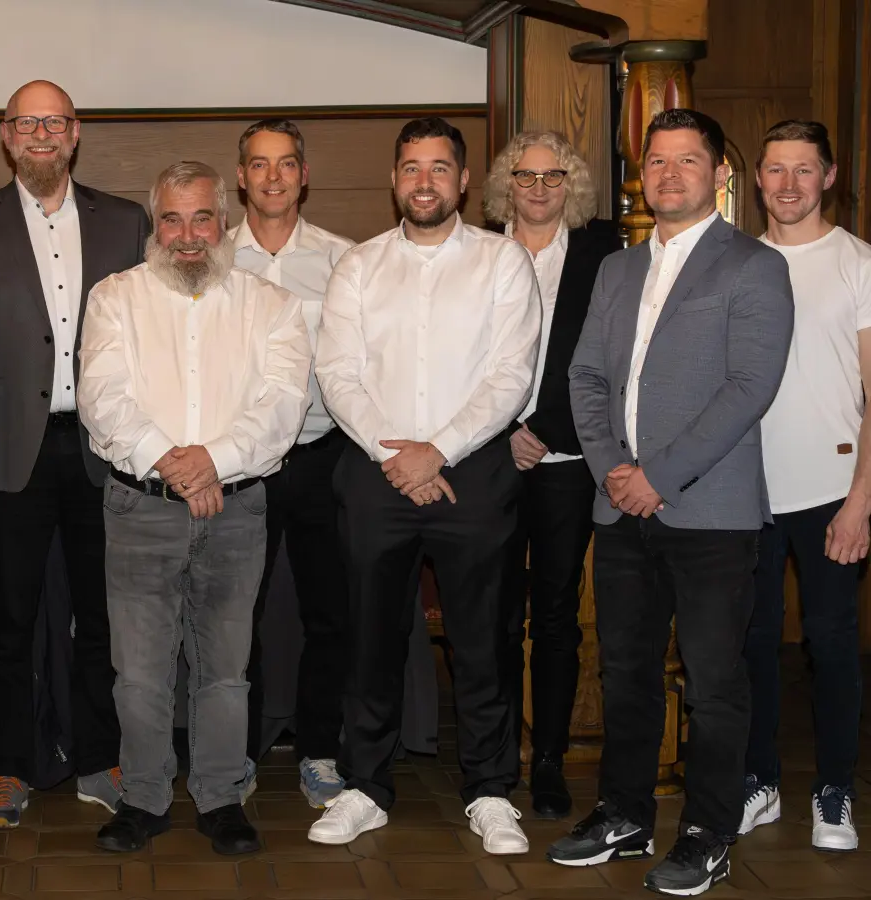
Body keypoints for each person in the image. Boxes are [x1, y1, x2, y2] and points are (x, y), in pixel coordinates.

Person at [553, 109, 793, 897]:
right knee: (624, 671)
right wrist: (616, 470)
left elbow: (747, 390)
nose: (669, 174)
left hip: (711, 513)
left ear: (720, 174)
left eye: (687, 161)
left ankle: (708, 832)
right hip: (621, 508)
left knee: (716, 680)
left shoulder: (753, 267)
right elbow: (586, 379)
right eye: (656, 161)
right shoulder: (618, 269)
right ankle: (623, 813)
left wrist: (658, 473)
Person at [312, 117, 540, 856]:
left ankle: (489, 790)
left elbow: (512, 375)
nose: (424, 181)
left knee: (484, 641)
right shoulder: (359, 266)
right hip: (377, 471)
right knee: (370, 638)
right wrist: (399, 456)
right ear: (394, 179)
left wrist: (438, 451)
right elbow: (337, 372)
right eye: (412, 167)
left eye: (440, 168)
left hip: (473, 472)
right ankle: (366, 787)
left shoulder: (504, 263)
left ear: (465, 182)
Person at [0, 79, 149, 827]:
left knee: (104, 618)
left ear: (75, 131)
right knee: (4, 622)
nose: (41, 134)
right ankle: (8, 767)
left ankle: (98, 758)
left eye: (54, 121)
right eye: (28, 123)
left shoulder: (125, 222)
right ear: (7, 135)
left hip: (102, 449)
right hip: (0, 454)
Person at [80, 161, 310, 856]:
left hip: (235, 511)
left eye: (201, 217)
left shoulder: (271, 305)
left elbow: (283, 406)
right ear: (156, 224)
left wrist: (214, 460)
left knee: (225, 670)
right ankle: (144, 799)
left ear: (223, 221)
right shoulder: (114, 298)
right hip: (140, 507)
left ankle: (219, 796)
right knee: (141, 671)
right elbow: (102, 396)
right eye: (173, 219)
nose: (187, 235)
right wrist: (175, 461)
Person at [483, 130, 619, 820]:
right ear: (506, 183)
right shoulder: (475, 248)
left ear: (574, 185)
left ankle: (549, 762)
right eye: (525, 176)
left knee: (557, 617)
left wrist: (547, 433)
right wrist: (505, 433)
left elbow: (609, 361)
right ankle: (497, 758)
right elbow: (454, 354)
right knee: (497, 615)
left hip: (567, 462)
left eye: (553, 177)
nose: (538, 190)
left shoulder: (603, 252)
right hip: (490, 457)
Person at [741, 119, 867, 852]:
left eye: (804, 170)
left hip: (831, 493)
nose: (789, 185)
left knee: (831, 646)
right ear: (756, 178)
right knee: (749, 645)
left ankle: (834, 792)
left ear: (829, 175)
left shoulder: (857, 264)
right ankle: (759, 780)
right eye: (776, 170)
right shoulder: (734, 262)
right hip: (745, 492)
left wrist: (861, 500)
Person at [228, 119, 354, 805]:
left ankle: (320, 751)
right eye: (258, 165)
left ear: (304, 175)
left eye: (285, 165)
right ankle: (235, 752)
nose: (272, 177)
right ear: (240, 177)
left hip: (322, 453)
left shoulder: (345, 260)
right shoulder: (212, 258)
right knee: (232, 614)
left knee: (327, 614)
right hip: (242, 462)